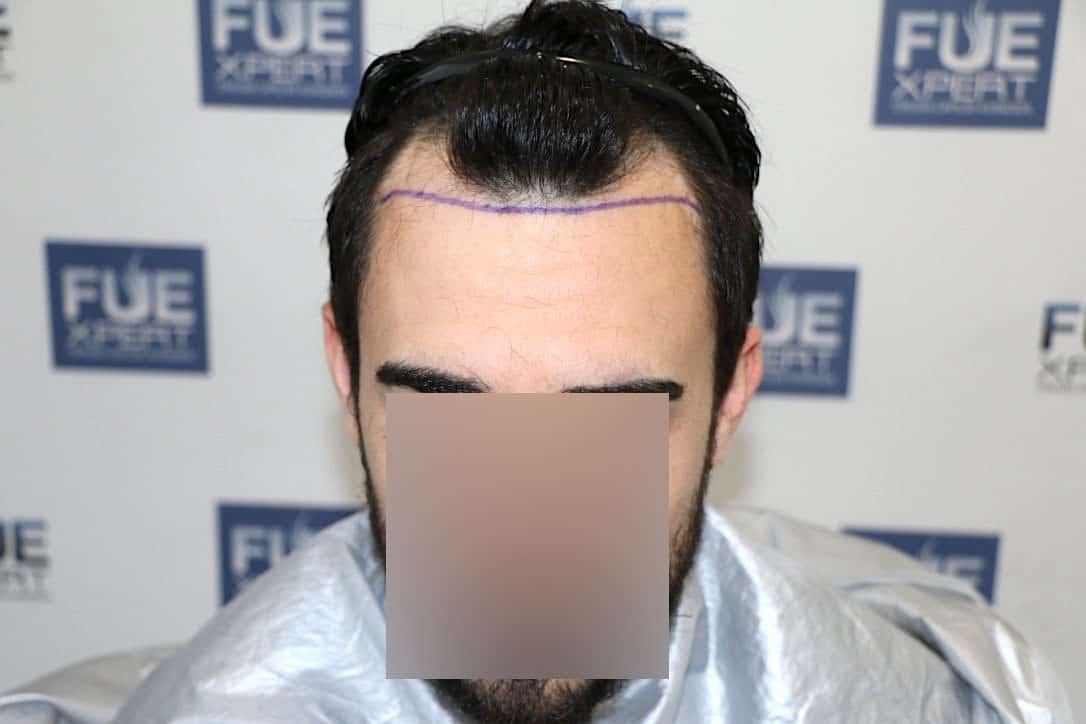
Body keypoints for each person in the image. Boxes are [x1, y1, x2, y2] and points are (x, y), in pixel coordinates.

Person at [0, 1, 1071, 722]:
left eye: (608, 416)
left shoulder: (909, 696)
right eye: (444, 407)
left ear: (733, 393)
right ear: (344, 370)